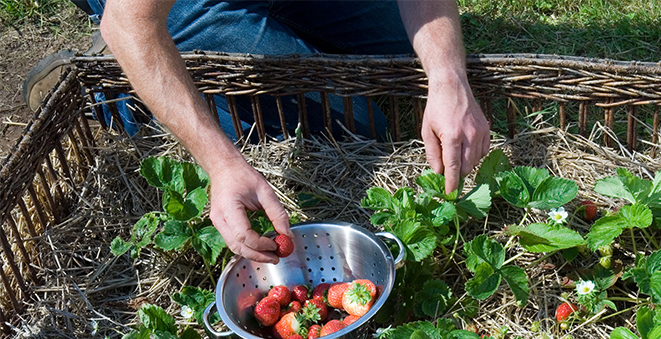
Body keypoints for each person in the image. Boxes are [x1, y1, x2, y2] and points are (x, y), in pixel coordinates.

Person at [38, 1, 491, 263]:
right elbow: (131, 22)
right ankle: (110, 88)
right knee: (357, 122)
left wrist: (449, 78)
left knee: (408, 55)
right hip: (135, 11)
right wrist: (221, 163)